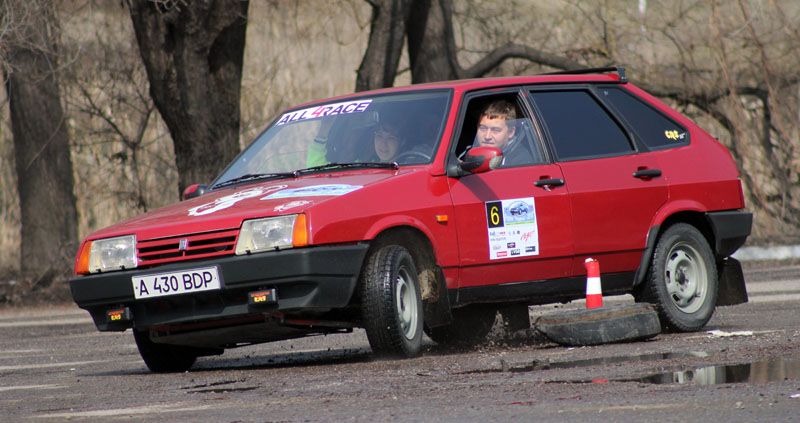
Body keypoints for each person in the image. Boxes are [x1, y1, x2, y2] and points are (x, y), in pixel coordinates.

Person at [475, 100, 534, 167]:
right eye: (483, 128)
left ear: (510, 132)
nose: (487, 136)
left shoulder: (521, 161)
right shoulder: (470, 151)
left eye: (495, 130)